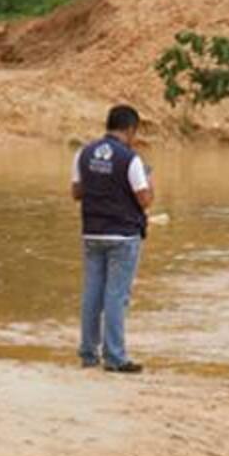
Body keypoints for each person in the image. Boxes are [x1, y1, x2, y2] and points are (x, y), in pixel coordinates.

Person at [72, 104, 153, 373]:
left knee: (92, 294)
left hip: (92, 232)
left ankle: (88, 354)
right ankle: (116, 357)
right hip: (123, 236)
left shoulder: (83, 153)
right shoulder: (131, 159)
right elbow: (145, 200)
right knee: (116, 297)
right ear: (130, 129)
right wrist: (149, 180)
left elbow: (76, 192)